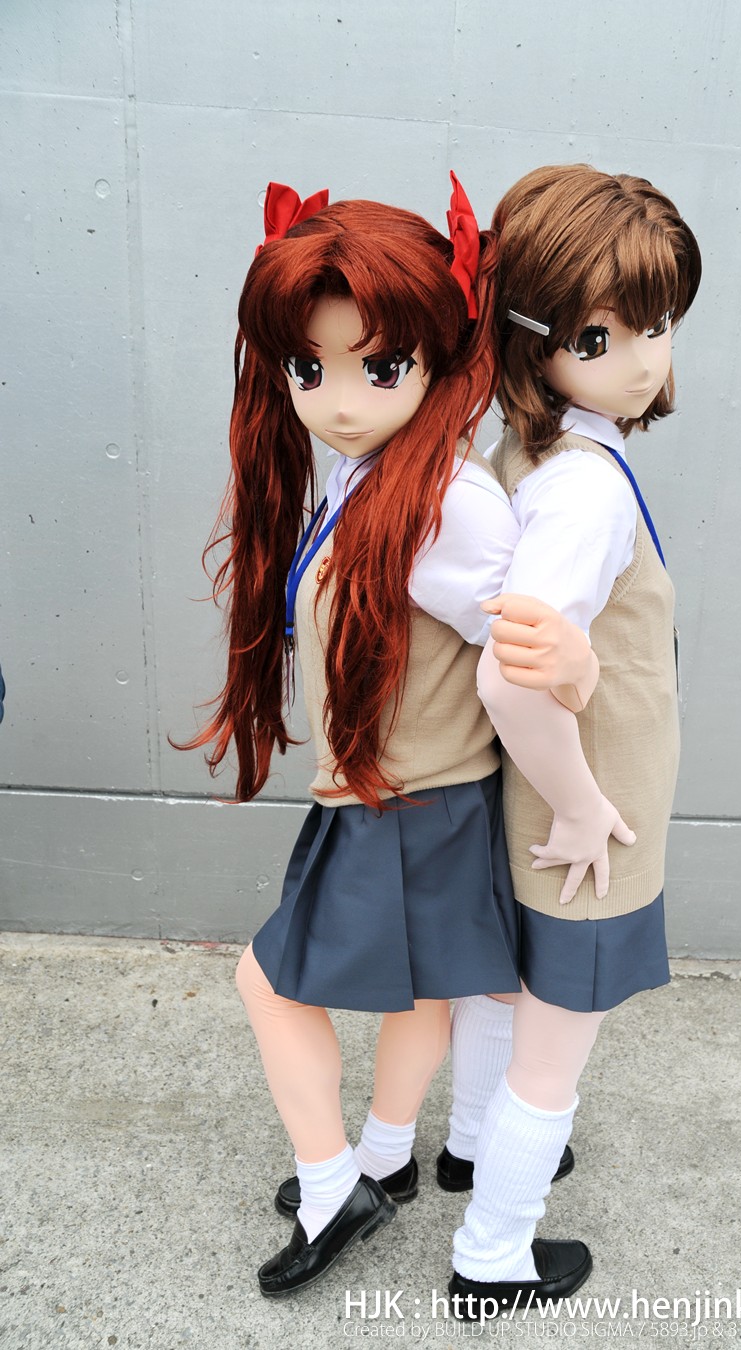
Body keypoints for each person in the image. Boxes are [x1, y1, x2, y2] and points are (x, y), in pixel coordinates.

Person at [185, 177, 593, 1299]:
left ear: (437, 356)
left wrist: (574, 754)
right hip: (399, 791)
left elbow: (517, 646)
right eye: (306, 368)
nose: (337, 400)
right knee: (422, 990)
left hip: (406, 798)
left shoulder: (446, 503)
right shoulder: (372, 470)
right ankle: (381, 1155)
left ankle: (336, 1191)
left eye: (380, 367)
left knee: (268, 986)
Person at [446, 164, 702, 1313]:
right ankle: (494, 1255)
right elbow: (513, 676)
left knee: (504, 996)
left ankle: (471, 1148)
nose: (643, 361)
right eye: (602, 337)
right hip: (581, 812)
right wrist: (589, 805)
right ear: (532, 337)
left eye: (658, 324)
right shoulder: (584, 491)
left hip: (536, 802)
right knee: (556, 1045)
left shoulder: (534, 447)